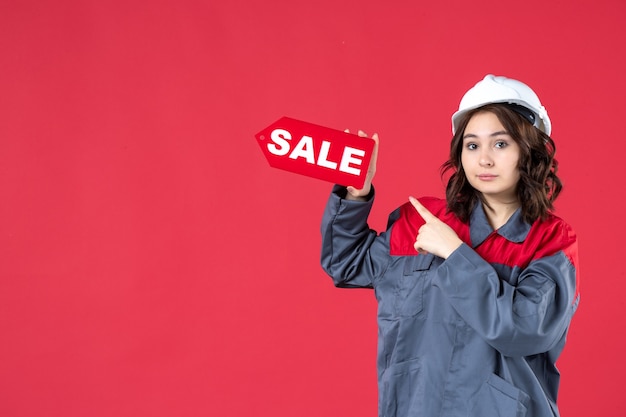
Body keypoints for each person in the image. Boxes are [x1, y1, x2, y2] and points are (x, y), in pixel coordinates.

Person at [320, 74, 579, 417]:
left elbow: (525, 330)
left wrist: (456, 254)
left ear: (529, 151)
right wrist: (356, 194)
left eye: (500, 144)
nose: (484, 159)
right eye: (472, 145)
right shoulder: (421, 220)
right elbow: (347, 264)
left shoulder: (549, 241)